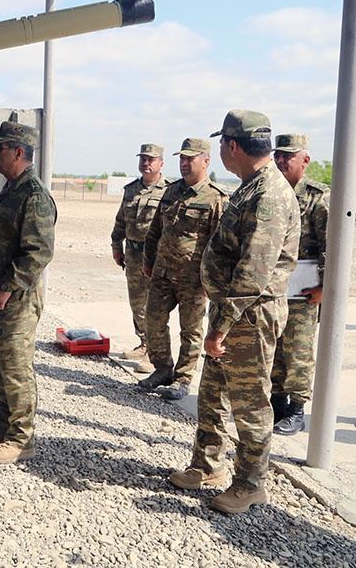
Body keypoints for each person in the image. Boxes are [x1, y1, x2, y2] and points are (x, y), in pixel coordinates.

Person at [169, 110, 299, 515]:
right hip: (231, 314)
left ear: (232, 146)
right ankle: (206, 466)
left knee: (249, 403)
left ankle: (249, 484)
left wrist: (220, 328)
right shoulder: (250, 186)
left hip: (248, 316)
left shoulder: (269, 196)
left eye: (223, 144)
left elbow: (252, 273)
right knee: (212, 395)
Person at [0, 113, 56, 464]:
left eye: (0, 148)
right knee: (0, 362)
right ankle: (5, 424)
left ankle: (22, 439)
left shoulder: (34, 197)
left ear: (18, 153)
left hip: (16, 298)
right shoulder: (13, 190)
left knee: (16, 366)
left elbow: (38, 252)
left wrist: (7, 286)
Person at [139, 138, 228, 400]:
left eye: (190, 159)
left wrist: (211, 280)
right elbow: (156, 229)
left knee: (190, 329)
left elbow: (219, 244)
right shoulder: (171, 191)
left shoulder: (215, 198)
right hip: (162, 272)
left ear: (206, 161)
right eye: (182, 159)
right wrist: (148, 259)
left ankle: (183, 377)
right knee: (153, 320)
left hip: (194, 279)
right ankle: (162, 369)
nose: (185, 164)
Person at [271, 133, 329, 435]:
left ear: (304, 160)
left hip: (306, 286)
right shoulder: (272, 193)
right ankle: (277, 403)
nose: (280, 160)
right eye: (278, 155)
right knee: (276, 345)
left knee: (298, 350)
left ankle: (296, 409)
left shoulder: (319, 198)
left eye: (287, 156)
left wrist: (325, 287)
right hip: (276, 284)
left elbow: (332, 246)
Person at [111, 143, 168, 373]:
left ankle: (155, 354)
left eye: (151, 159)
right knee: (137, 303)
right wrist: (117, 245)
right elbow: (120, 221)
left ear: (161, 164)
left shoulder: (169, 191)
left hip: (154, 255)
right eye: (143, 159)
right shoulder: (131, 190)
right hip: (133, 254)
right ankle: (144, 343)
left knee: (154, 305)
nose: (146, 163)